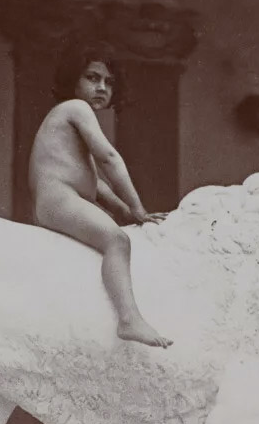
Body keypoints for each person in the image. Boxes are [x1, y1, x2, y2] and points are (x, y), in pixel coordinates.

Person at [28, 43, 172, 348]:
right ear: (73, 80)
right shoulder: (75, 108)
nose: (101, 87)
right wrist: (138, 208)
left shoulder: (73, 118)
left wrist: (122, 209)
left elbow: (97, 183)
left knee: (112, 233)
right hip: (60, 198)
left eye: (108, 82)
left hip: (64, 199)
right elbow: (108, 158)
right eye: (92, 78)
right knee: (117, 240)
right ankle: (129, 319)